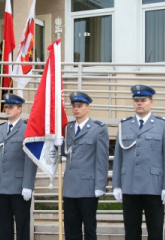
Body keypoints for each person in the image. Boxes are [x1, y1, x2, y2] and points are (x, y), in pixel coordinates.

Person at [112, 84, 165, 240]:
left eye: (143, 100)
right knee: (131, 232)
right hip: (130, 186)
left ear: (151, 102)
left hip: (153, 186)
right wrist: (117, 184)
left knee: (155, 232)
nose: (139, 103)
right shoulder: (124, 125)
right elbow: (119, 156)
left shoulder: (163, 125)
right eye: (136, 100)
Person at [55, 91, 109, 240]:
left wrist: (100, 185)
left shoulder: (98, 129)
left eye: (80, 106)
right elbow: (66, 153)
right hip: (70, 187)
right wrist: (57, 146)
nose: (76, 109)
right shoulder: (68, 128)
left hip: (88, 188)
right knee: (71, 229)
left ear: (87, 107)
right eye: (74, 106)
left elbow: (102, 160)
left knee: (89, 228)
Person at [0, 93, 37, 240]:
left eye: (11, 107)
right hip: (2, 185)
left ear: (20, 108)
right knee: (4, 226)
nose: (7, 109)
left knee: (22, 226)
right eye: (6, 107)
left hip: (19, 187)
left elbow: (31, 159)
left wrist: (28, 185)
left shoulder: (27, 129)